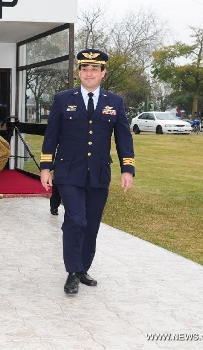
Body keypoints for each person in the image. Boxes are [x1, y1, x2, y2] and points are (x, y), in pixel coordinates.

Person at [40, 49, 135, 295]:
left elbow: (123, 137)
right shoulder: (63, 99)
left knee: (91, 224)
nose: (89, 73)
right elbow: (51, 136)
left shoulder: (115, 102)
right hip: (69, 172)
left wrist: (128, 169)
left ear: (103, 72)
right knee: (75, 219)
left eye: (94, 69)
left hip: (99, 173)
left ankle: (83, 268)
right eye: (84, 69)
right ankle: (72, 271)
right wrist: (45, 167)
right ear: (79, 73)